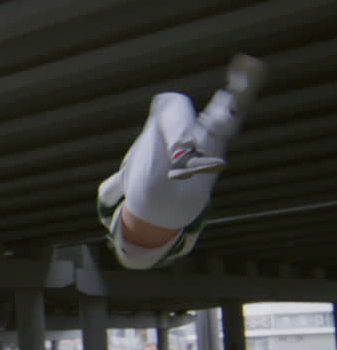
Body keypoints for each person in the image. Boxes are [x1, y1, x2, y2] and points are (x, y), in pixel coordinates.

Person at [97, 53, 268, 270]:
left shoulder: (181, 248)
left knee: (211, 132)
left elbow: (199, 218)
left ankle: (230, 104)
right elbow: (106, 192)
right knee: (169, 101)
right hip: (144, 202)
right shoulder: (114, 226)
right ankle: (181, 153)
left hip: (187, 211)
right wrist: (106, 212)